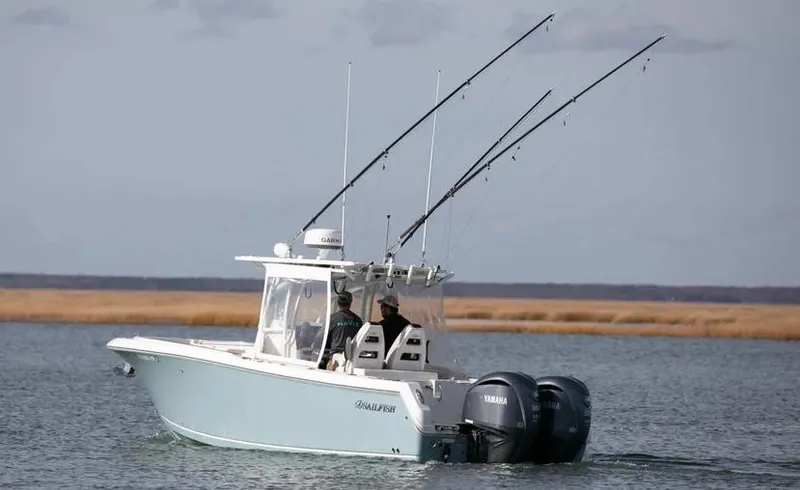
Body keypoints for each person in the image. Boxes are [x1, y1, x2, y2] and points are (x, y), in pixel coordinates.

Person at [320, 290, 363, 370]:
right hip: (353, 359)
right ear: (350, 302)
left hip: (336, 359)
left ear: (338, 302)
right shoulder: (358, 320)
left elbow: (320, 338)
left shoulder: (332, 318)